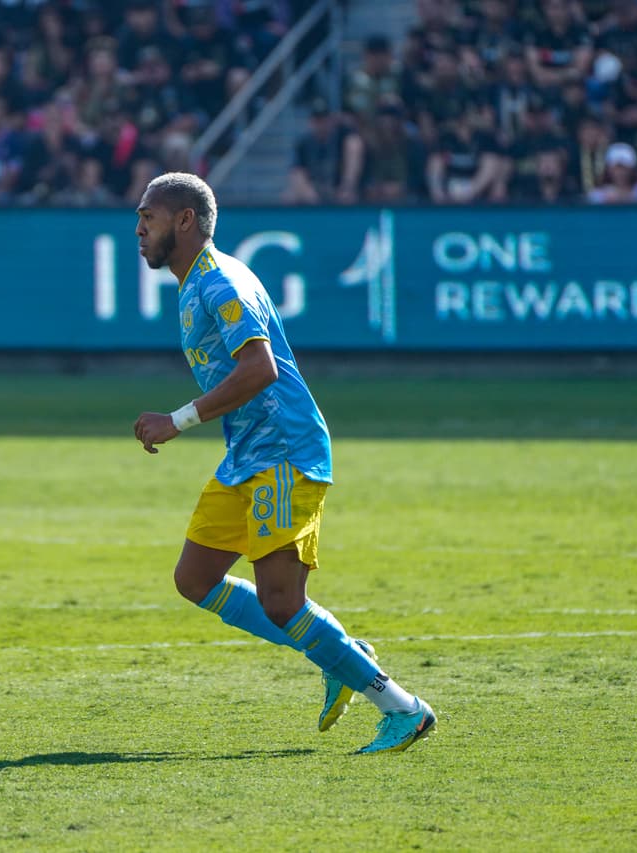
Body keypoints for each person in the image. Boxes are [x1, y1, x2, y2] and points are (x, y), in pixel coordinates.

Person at [131, 172, 436, 755]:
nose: (139, 229)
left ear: (185, 220)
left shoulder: (220, 282)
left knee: (280, 601)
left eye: (148, 217)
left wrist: (177, 420)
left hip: (286, 451)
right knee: (194, 580)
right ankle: (343, 654)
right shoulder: (194, 282)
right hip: (247, 453)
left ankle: (403, 708)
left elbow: (260, 370)